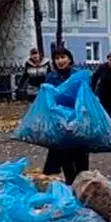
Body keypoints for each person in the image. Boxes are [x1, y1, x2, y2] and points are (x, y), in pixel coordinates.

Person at [42, 47, 89, 185]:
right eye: (57, 58)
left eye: (63, 57)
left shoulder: (78, 75)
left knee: (81, 156)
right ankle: (71, 186)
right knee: (65, 158)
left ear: (69, 59)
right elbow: (48, 99)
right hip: (60, 122)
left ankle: (84, 186)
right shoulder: (51, 77)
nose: (60, 61)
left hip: (78, 121)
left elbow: (86, 95)